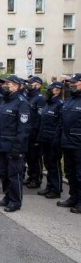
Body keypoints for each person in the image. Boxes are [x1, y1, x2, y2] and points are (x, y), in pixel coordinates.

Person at [0, 75, 31, 212]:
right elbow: (0, 125)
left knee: (14, 175)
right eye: (4, 84)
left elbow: (24, 129)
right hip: (2, 145)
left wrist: (18, 147)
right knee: (3, 173)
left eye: (8, 84)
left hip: (14, 146)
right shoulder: (4, 102)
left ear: (16, 86)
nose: (5, 86)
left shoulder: (22, 103)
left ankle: (15, 201)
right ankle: (7, 197)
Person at [57, 73, 81, 214]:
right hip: (67, 142)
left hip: (79, 144)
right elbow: (62, 121)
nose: (70, 85)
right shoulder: (70, 99)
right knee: (70, 172)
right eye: (70, 83)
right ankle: (73, 197)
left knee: (80, 174)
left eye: (74, 83)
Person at [36, 81, 64, 199]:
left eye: (50, 89)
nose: (47, 90)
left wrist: (57, 140)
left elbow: (60, 124)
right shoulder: (49, 103)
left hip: (53, 140)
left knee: (54, 165)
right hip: (45, 138)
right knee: (47, 164)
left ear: (57, 90)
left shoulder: (59, 104)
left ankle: (56, 189)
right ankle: (49, 186)